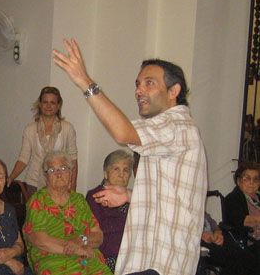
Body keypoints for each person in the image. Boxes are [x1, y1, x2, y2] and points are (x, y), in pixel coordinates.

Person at [53, 38, 207, 275]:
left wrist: (84, 80)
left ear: (173, 91)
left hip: (162, 262)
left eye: (149, 83)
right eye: (138, 84)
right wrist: (129, 194)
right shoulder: (165, 131)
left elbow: (122, 132)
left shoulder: (177, 124)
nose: (139, 90)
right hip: (150, 259)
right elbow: (173, 196)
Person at [22, 151, 111, 275]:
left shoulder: (79, 200)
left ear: (70, 173)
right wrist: (77, 250)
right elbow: (40, 241)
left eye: (63, 168)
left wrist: (81, 239)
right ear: (45, 176)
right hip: (53, 258)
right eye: (52, 170)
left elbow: (98, 235)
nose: (58, 174)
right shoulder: (38, 201)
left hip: (86, 256)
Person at [8, 86, 78, 193]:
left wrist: (72, 185)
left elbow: (73, 159)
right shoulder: (30, 129)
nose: (48, 106)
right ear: (40, 104)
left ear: (58, 105)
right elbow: (23, 158)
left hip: (59, 182)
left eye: (52, 102)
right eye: (45, 102)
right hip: (34, 184)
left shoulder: (67, 128)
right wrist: (10, 178)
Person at [86, 149, 133, 272]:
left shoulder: (132, 197)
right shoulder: (95, 196)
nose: (121, 174)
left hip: (131, 254)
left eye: (126, 170)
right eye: (116, 169)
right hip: (108, 255)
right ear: (106, 173)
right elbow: (96, 232)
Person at [223, 162, 260, 258]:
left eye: (256, 179)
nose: (252, 182)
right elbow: (243, 221)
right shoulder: (232, 198)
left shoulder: (258, 197)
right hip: (247, 245)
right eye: (247, 178)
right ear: (239, 181)